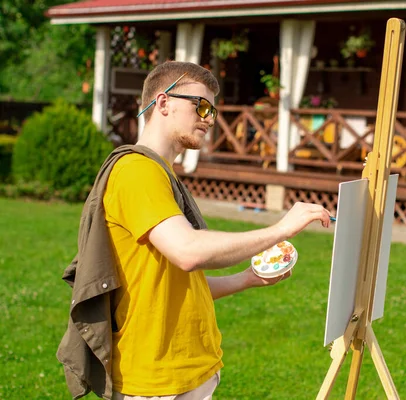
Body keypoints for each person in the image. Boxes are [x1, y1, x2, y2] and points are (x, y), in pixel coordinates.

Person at [60, 61, 332, 400]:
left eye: (213, 110)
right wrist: (280, 229)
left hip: (189, 371)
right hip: (156, 381)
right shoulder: (136, 172)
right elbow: (188, 252)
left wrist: (246, 279)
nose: (209, 118)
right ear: (163, 103)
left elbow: (177, 280)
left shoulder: (163, 175)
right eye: (200, 105)